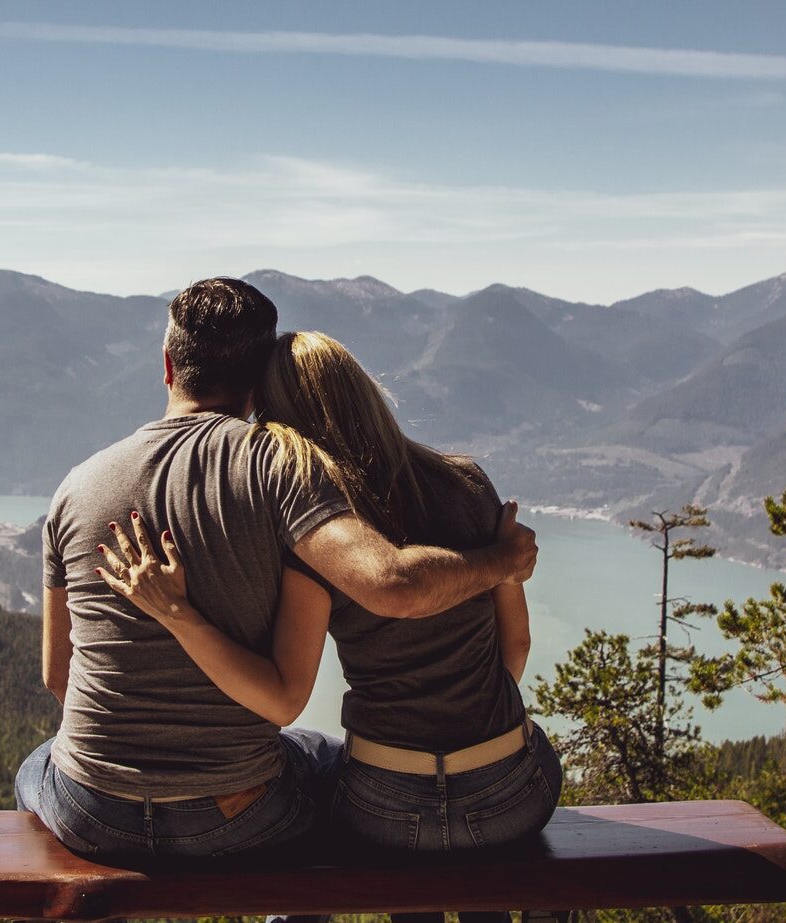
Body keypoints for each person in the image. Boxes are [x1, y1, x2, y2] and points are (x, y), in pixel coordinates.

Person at [16, 280, 539, 862]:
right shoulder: (281, 469)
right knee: (316, 755)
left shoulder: (74, 487)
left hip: (93, 811)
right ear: (260, 376)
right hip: (237, 814)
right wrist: (502, 562)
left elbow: (58, 678)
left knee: (36, 766)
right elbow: (389, 588)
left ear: (168, 365)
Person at [100, 330, 562, 920]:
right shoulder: (468, 483)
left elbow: (287, 686)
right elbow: (514, 649)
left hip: (386, 800)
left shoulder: (322, 536)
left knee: (319, 779)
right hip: (509, 792)